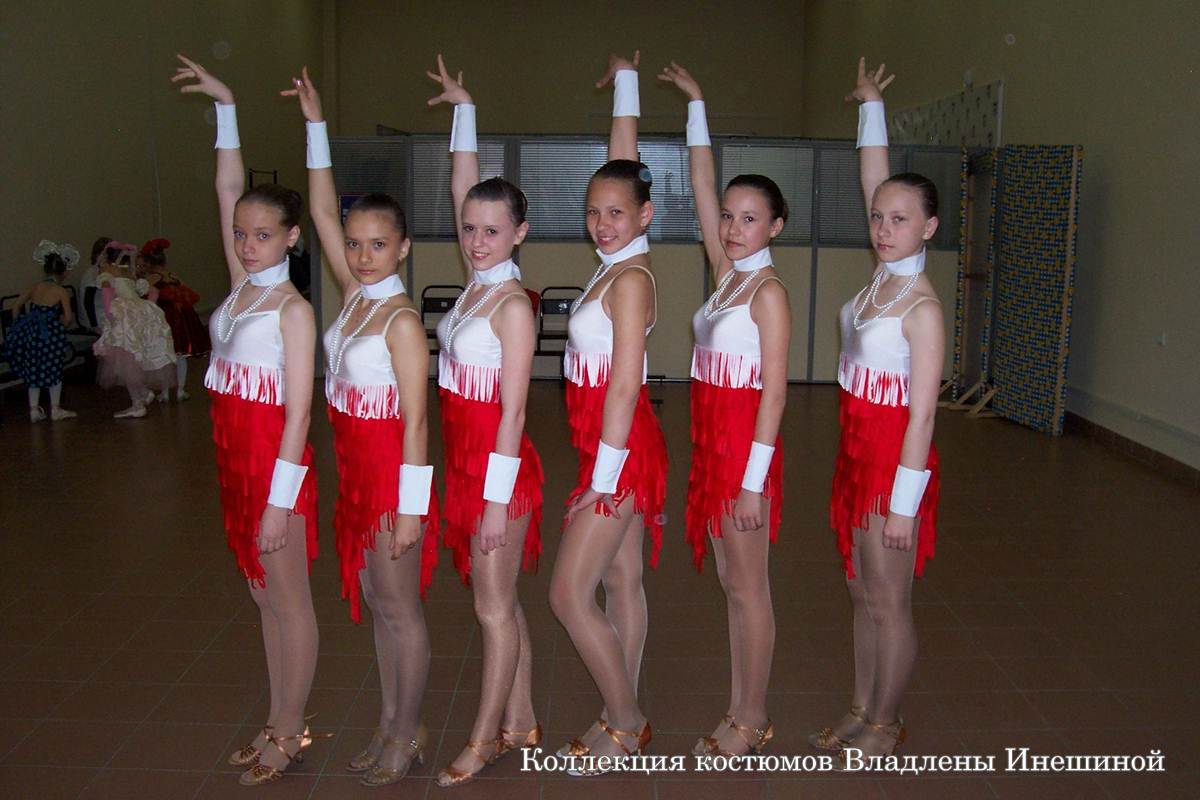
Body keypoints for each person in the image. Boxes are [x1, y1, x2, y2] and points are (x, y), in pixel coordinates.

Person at [285, 66, 438, 787]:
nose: (361, 255)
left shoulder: (401, 321)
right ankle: (388, 721)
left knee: (400, 608)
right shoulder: (353, 298)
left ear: (402, 247)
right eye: (353, 244)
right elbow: (321, 209)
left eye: (378, 245)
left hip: (389, 479)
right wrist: (316, 125)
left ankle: (407, 732)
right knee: (377, 602)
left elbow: (417, 423)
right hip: (353, 474)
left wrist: (410, 509)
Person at [174, 53, 322, 786]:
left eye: (263, 235)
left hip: (274, 467)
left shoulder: (291, 310)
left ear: (292, 237)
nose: (246, 244)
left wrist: (277, 501)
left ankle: (291, 730)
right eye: (240, 233)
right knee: (262, 596)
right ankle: (275, 718)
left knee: (289, 602)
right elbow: (227, 185)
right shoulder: (240, 288)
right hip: (235, 460)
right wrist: (227, 106)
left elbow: (299, 414)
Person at [809, 58, 943, 764]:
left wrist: (903, 506)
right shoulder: (880, 281)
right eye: (879, 218)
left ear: (929, 228)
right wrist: (869, 108)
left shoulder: (921, 308)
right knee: (861, 593)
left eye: (900, 220)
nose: (884, 228)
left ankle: (887, 723)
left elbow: (922, 418)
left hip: (895, 465)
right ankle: (862, 707)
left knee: (891, 602)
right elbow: (876, 180)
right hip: (855, 456)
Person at [660, 62, 790, 757]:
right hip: (712, 447)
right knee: (730, 584)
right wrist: (697, 106)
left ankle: (751, 716)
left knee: (748, 588)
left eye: (750, 219)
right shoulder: (724, 274)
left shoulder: (767, 293)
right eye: (730, 218)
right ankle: (743, 706)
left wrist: (752, 483)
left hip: (744, 453)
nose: (734, 227)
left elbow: (775, 392)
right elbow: (702, 183)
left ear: (775, 226)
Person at [426, 55, 545, 787]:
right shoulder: (475, 286)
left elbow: (516, 410)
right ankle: (522, 718)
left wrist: (496, 501)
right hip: (464, 465)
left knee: (491, 609)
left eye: (492, 232)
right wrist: (464, 109)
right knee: (499, 602)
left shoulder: (510, 306)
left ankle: (484, 739)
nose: (476, 240)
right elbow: (461, 184)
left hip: (500, 474)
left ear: (518, 233)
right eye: (470, 228)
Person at [547, 51, 666, 774]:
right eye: (593, 211)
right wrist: (626, 83)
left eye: (616, 213)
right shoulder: (613, 266)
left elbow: (623, 387)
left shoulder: (630, 280)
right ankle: (620, 708)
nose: (602, 222)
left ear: (645, 216)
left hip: (619, 452)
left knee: (568, 593)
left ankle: (626, 720)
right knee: (622, 582)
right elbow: (625, 167)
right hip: (609, 446)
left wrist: (601, 478)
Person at [92, 241, 177, 418]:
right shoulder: (129, 272)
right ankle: (142, 393)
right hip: (139, 312)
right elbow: (153, 291)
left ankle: (138, 403)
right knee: (134, 356)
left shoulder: (108, 271)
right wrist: (148, 308)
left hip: (124, 315)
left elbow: (106, 292)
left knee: (126, 359)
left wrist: (110, 315)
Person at [3, 240, 81, 421]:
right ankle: (55, 409)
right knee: (54, 369)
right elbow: (68, 317)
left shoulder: (35, 286)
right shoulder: (60, 291)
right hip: (50, 335)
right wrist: (61, 326)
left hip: (32, 333)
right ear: (63, 272)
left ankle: (33, 410)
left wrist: (20, 325)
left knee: (33, 369)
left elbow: (16, 306)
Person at [140, 237, 211, 400]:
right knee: (180, 355)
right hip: (181, 319)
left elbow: (142, 296)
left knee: (164, 356)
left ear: (149, 263)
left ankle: (165, 392)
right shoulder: (173, 276)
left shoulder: (152, 279)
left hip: (163, 319)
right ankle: (180, 390)